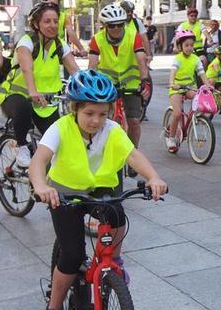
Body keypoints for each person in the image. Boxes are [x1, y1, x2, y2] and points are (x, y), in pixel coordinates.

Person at [29, 69, 167, 310]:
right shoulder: (60, 128)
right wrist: (41, 186)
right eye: (89, 113)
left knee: (116, 213)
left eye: (103, 114)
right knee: (71, 256)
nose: (96, 120)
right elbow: (39, 159)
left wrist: (153, 177)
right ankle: (54, 305)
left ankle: (113, 261)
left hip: (98, 189)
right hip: (64, 191)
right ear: (74, 109)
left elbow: (132, 155)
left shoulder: (112, 129)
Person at [0, 2, 80, 167]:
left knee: (59, 142)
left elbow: (76, 72)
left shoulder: (59, 45)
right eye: (47, 21)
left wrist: (89, 88)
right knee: (23, 108)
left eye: (56, 21)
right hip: (16, 95)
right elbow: (27, 69)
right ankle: (20, 146)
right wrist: (33, 91)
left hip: (46, 103)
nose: (53, 25)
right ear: (36, 24)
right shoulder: (26, 43)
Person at [88, 4, 151, 152]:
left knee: (134, 121)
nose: (116, 28)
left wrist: (145, 81)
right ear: (105, 25)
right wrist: (91, 86)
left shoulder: (132, 35)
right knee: (104, 120)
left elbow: (141, 60)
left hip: (131, 85)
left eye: (120, 24)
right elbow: (92, 66)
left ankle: (133, 153)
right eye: (112, 25)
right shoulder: (97, 39)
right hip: (107, 86)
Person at [165, 30, 207, 153]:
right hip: (176, 88)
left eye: (191, 45)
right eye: (186, 45)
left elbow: (202, 74)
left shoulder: (195, 59)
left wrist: (208, 86)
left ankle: (192, 120)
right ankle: (171, 138)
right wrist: (172, 83)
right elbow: (173, 71)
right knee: (177, 114)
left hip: (190, 87)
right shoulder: (178, 59)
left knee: (199, 101)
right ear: (180, 46)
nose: (189, 48)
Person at [119, 0, 152, 65]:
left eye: (131, 11)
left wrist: (148, 55)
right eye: (127, 11)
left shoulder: (137, 22)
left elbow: (145, 40)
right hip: (120, 57)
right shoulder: (117, 23)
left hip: (136, 56)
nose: (130, 13)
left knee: (145, 74)